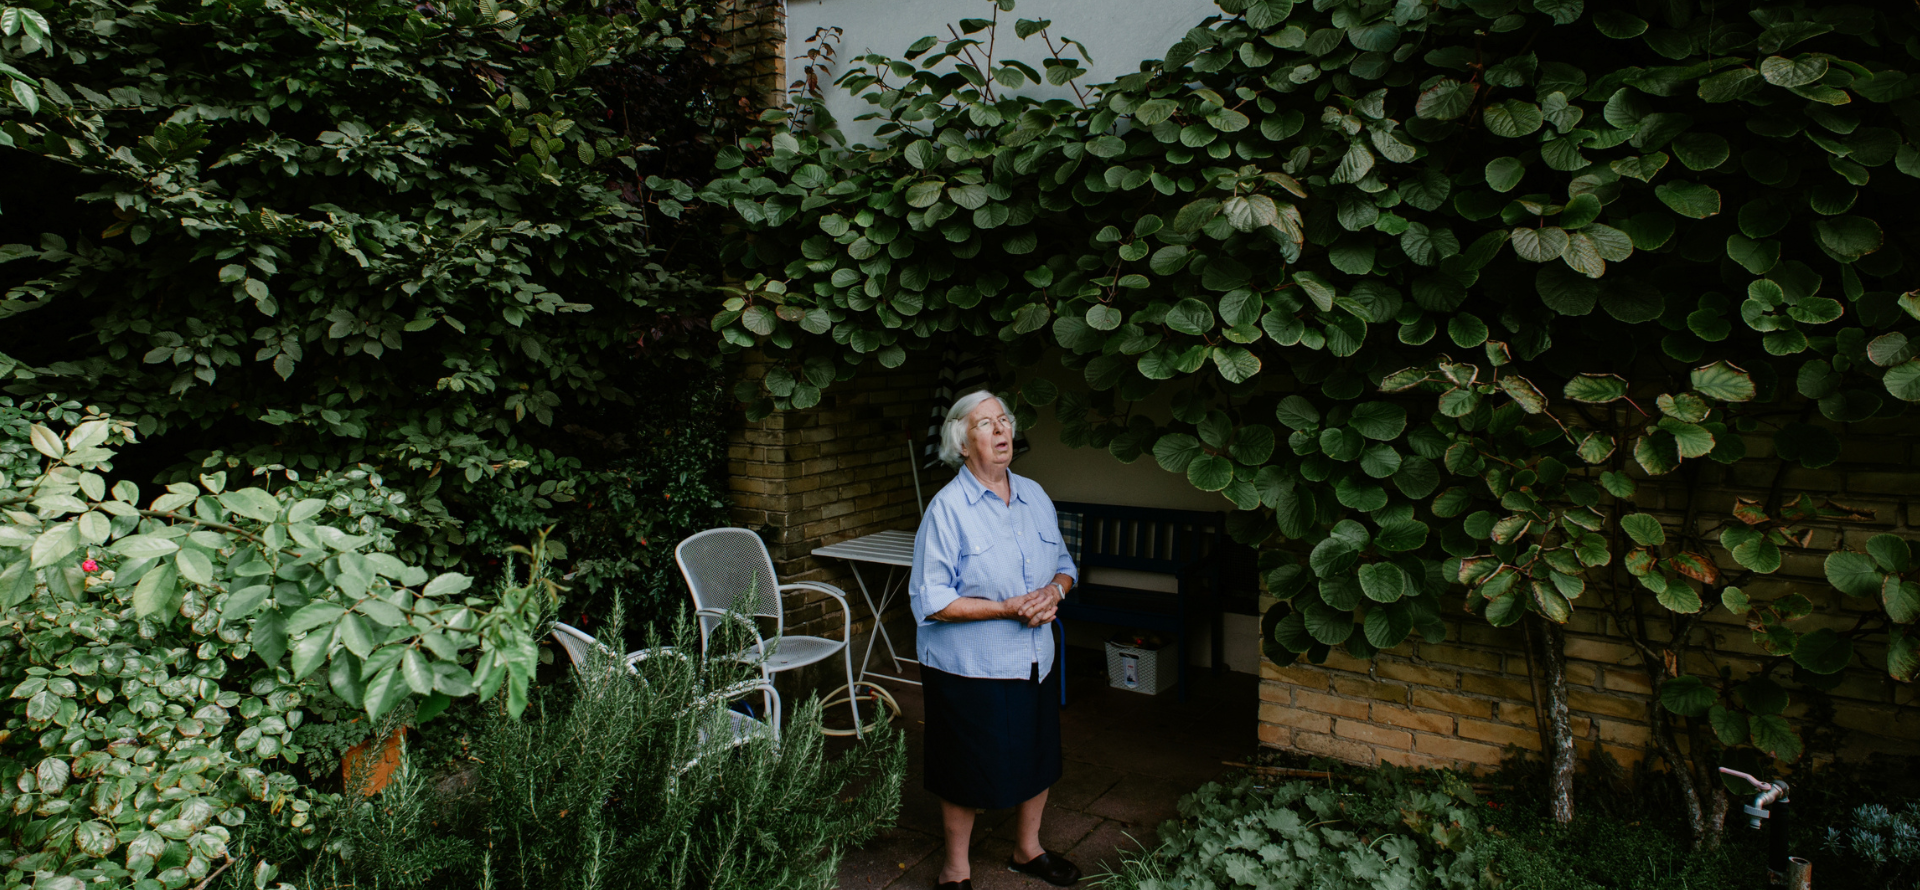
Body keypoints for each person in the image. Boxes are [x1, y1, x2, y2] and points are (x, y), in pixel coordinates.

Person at [909, 390, 1082, 890]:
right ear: (963, 443)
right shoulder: (946, 511)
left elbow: (1066, 567)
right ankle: (955, 870)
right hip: (968, 667)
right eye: (986, 423)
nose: (1001, 429)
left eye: (1004, 420)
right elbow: (931, 601)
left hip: (1034, 660)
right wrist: (1009, 607)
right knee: (963, 770)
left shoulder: (1035, 496)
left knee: (1038, 757)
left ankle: (1028, 851)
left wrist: (1054, 591)